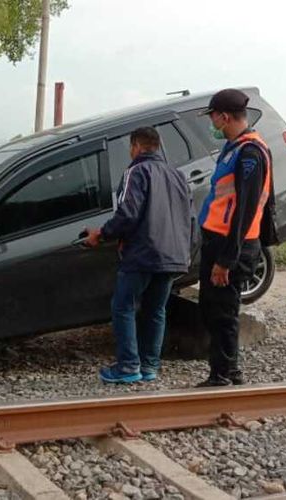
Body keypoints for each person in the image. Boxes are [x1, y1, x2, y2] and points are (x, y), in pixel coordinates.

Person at [86, 127, 192, 383]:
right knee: (156, 310)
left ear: (136, 146)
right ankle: (149, 367)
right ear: (157, 146)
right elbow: (190, 219)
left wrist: (101, 234)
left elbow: (127, 213)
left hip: (142, 253)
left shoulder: (136, 171)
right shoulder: (178, 175)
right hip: (174, 255)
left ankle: (127, 366)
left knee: (123, 307)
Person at [196, 89, 273, 387]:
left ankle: (223, 375)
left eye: (212, 116)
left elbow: (246, 210)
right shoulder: (236, 147)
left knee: (222, 312)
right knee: (213, 308)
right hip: (219, 241)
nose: (211, 122)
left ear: (224, 117)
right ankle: (228, 370)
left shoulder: (251, 152)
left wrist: (227, 259)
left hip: (232, 246)